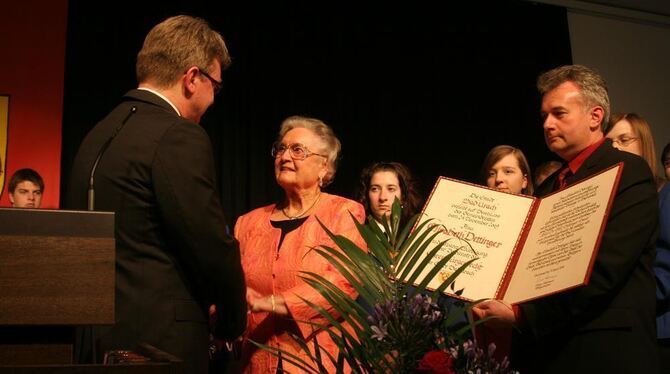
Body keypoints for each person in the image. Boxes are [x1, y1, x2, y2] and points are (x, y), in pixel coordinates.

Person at [65, 15, 246, 374]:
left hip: (92, 338)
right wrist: (231, 321)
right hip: (158, 346)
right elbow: (209, 244)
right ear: (193, 78)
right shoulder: (178, 135)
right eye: (216, 86)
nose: (214, 99)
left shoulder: (99, 133)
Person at [472, 64, 659, 373]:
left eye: (559, 114)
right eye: (544, 115)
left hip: (606, 351)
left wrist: (523, 315)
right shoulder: (548, 187)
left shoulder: (627, 171)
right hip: (551, 350)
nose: (547, 124)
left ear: (595, 117)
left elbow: (606, 267)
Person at [234, 115, 366, 373]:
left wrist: (270, 303)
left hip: (321, 362)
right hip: (256, 362)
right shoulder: (247, 223)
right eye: (281, 149)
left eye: (298, 150)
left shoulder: (344, 213)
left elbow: (342, 285)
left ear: (324, 167)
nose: (284, 157)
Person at [605, 112, 665, 189]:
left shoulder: (665, 193)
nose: (614, 146)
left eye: (624, 140)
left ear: (643, 143)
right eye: (608, 143)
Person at [357, 161, 422, 229]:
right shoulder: (354, 233)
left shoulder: (414, 233)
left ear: (403, 195)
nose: (382, 197)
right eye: (375, 189)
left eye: (391, 189)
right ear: (366, 194)